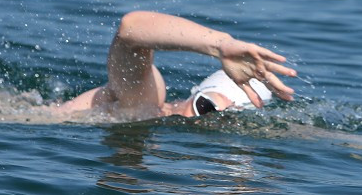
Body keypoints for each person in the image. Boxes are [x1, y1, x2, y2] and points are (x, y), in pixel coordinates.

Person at [54, 10, 297, 120]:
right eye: (207, 108)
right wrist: (221, 44)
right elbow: (131, 29)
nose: (209, 121)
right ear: (194, 97)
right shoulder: (148, 102)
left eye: (227, 119)